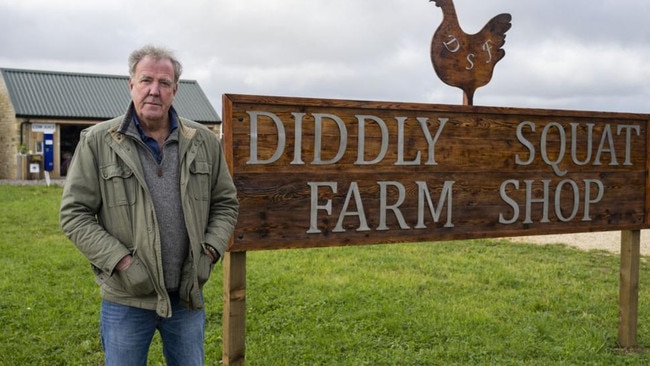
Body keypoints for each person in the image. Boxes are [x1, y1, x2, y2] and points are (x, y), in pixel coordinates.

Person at [60, 45, 239, 365]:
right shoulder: (98, 141)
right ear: (131, 85)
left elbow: (226, 203)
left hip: (186, 298)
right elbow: (74, 214)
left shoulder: (205, 142)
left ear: (175, 90)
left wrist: (209, 251)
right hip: (126, 300)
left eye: (164, 82)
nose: (154, 90)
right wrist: (121, 262)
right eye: (146, 80)